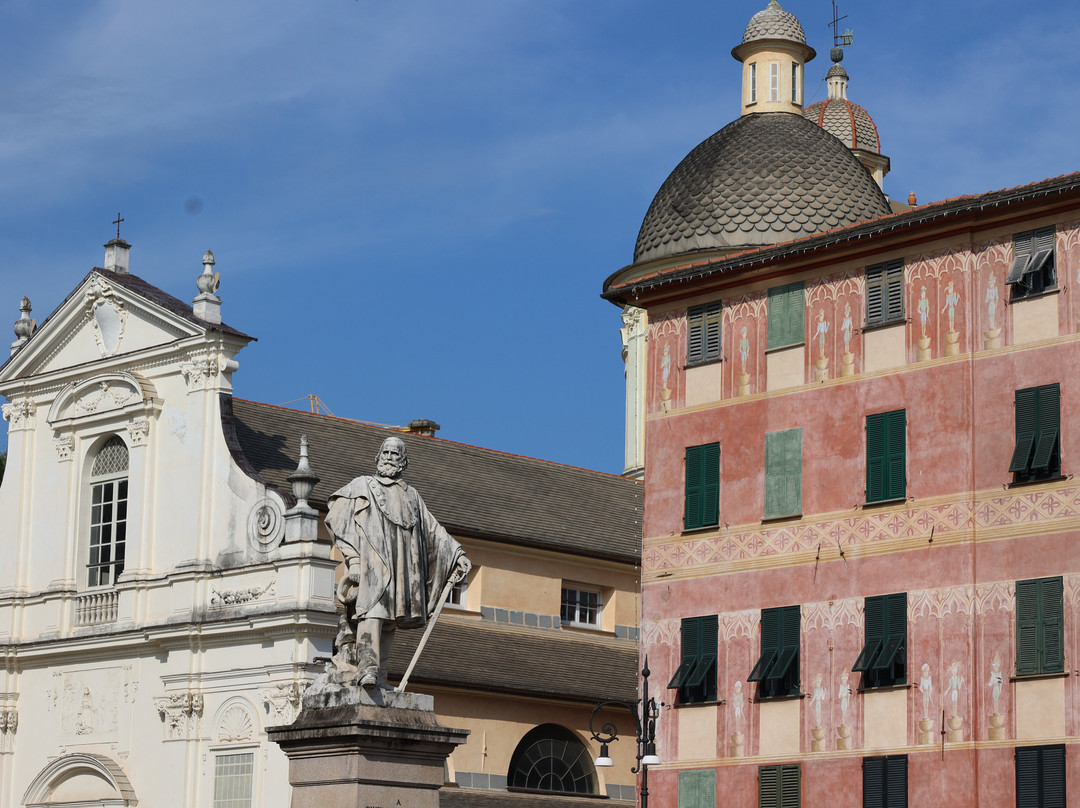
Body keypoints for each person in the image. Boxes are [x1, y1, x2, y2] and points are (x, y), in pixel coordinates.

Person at [325, 436, 471, 689]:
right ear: (378, 456)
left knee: (390, 619)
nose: (390, 458)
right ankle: (367, 669)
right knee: (372, 612)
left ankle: (380, 676)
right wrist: (354, 561)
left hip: (402, 567)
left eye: (395, 454)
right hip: (373, 564)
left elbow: (434, 531)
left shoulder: (411, 495)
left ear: (403, 461)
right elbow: (339, 521)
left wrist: (457, 554)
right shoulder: (362, 486)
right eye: (386, 453)